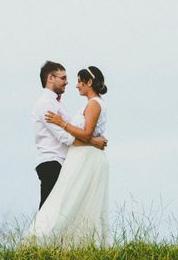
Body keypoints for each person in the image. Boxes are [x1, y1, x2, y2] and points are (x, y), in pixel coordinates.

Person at [27, 65, 110, 246]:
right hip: (52, 161)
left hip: (67, 161)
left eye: (77, 80)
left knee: (62, 207)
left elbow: (79, 132)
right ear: (50, 78)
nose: (70, 82)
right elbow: (64, 137)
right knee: (52, 207)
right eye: (63, 78)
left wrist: (82, 135)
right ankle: (39, 245)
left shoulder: (61, 103)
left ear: (89, 82)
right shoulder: (45, 104)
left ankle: (54, 247)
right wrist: (93, 141)